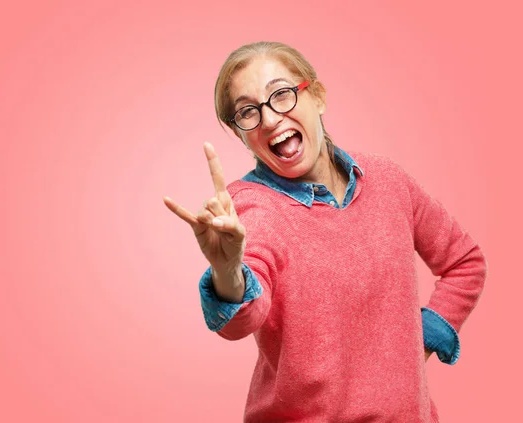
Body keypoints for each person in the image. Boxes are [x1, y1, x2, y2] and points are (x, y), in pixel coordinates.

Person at [163, 41, 487, 422]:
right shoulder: (253, 208)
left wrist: (425, 337)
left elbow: (465, 263)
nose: (268, 120)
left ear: (317, 96)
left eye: (281, 95)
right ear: (241, 135)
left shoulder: (388, 181)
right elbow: (240, 322)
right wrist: (228, 271)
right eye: (248, 112)